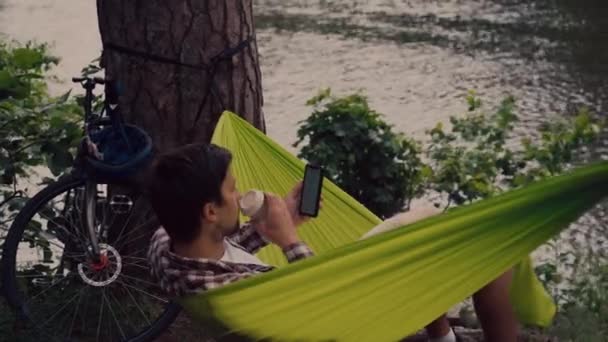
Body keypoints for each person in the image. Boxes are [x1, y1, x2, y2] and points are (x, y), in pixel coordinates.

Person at [146, 143, 518, 342]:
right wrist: (289, 239)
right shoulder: (241, 298)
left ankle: (442, 337)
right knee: (490, 250)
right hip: (341, 315)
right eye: (232, 189)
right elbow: (317, 295)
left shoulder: (165, 245)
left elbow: (221, 256)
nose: (240, 193)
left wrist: (276, 224)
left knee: (422, 226)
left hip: (316, 300)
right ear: (210, 211)